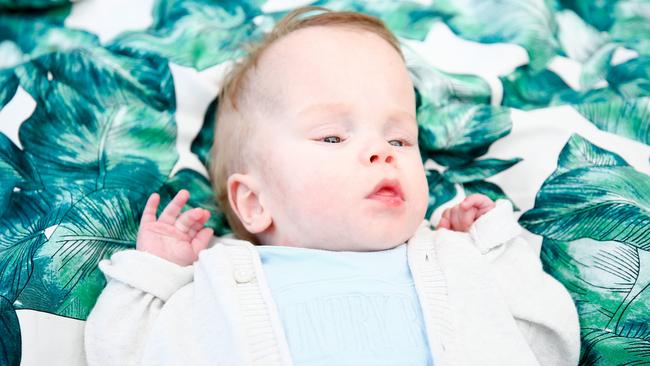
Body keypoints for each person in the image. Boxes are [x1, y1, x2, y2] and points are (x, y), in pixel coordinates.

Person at [84, 6, 580, 366]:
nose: (381, 151)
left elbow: (550, 344)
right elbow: (120, 353)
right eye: (332, 136)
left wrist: (490, 254)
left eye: (400, 138)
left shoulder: (452, 259)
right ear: (255, 202)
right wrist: (155, 274)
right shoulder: (213, 284)